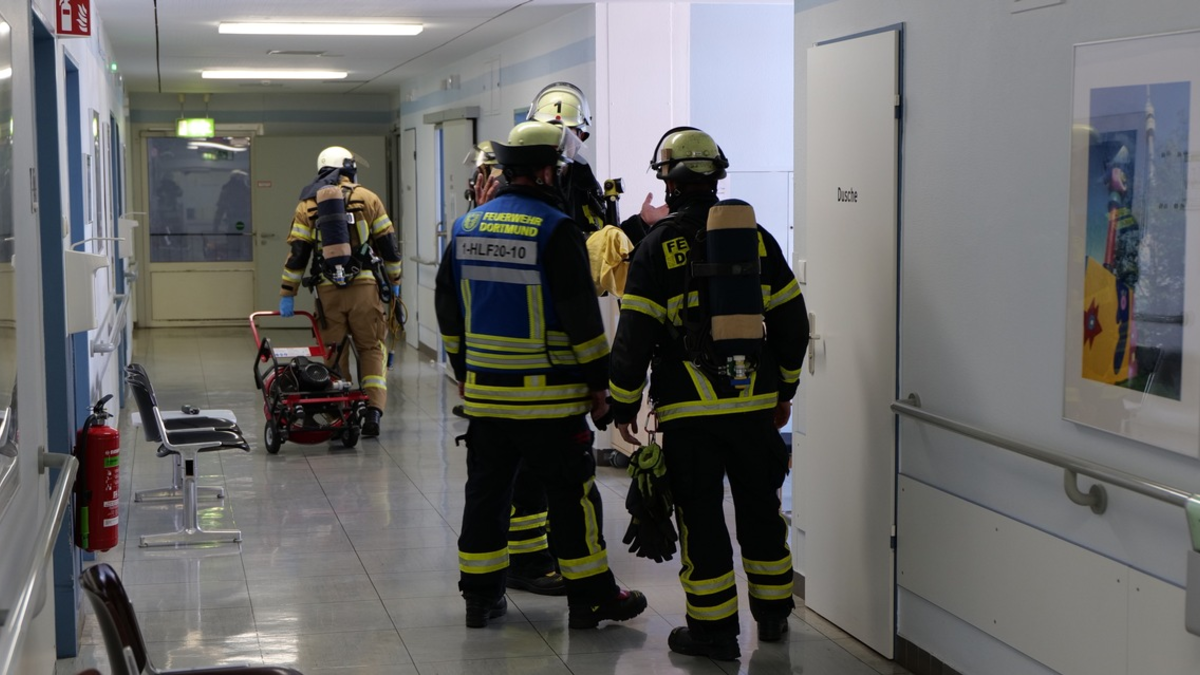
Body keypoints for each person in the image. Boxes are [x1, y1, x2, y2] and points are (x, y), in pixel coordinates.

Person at [435, 120, 647, 629]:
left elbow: (448, 307)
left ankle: (480, 598)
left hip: (487, 400)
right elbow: (582, 321)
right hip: (550, 402)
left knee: (486, 496)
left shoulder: (468, 226)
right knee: (572, 499)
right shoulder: (554, 230)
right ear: (549, 171)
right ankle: (593, 598)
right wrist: (601, 388)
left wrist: (464, 369)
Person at [608, 127, 809, 660]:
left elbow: (635, 335)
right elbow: (793, 324)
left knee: (701, 518)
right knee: (762, 512)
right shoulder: (759, 240)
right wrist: (782, 387)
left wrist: (624, 402)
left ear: (667, 182)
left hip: (690, 413)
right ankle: (772, 616)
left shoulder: (654, 249)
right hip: (754, 406)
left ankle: (714, 631)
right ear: (717, 177)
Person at [278, 146, 401, 438]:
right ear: (348, 167)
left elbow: (297, 254)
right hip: (365, 290)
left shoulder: (307, 204)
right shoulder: (368, 198)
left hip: (327, 292)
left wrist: (288, 292)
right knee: (371, 349)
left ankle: (338, 414)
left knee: (334, 352)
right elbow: (389, 246)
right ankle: (372, 411)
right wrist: (394, 281)